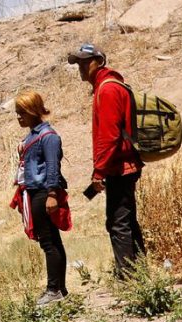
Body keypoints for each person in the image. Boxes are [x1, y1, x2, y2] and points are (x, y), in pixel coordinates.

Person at [68, 43, 145, 278]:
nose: (81, 67)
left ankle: (129, 278)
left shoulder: (108, 89)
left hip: (119, 167)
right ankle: (140, 271)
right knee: (125, 220)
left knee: (117, 223)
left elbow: (110, 136)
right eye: (78, 63)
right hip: (122, 164)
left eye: (85, 62)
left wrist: (99, 171)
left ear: (99, 61)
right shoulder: (106, 85)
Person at [13, 91, 69, 306]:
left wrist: (53, 194)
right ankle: (59, 289)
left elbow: (53, 167)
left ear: (34, 111)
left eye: (23, 113)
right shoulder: (32, 136)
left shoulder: (48, 137)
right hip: (34, 192)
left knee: (49, 241)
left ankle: (54, 289)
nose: (19, 117)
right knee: (50, 240)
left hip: (44, 192)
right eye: (17, 113)